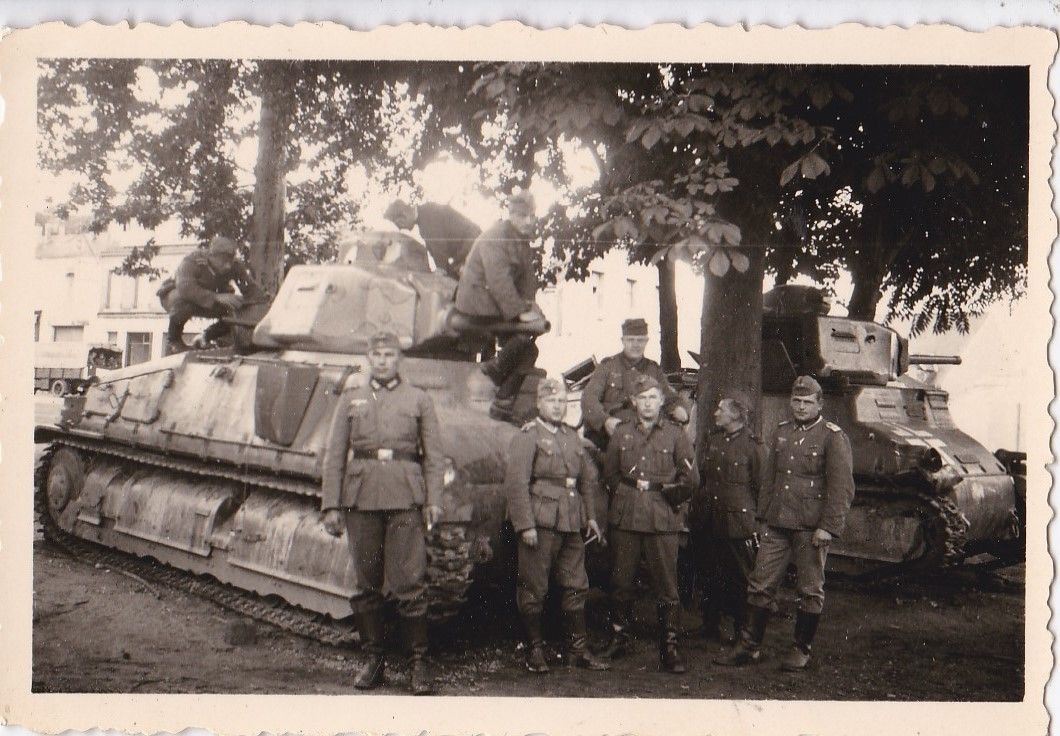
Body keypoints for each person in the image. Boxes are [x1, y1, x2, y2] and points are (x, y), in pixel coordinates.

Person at [320, 331, 445, 695]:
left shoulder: (419, 399)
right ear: (369, 357)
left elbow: (434, 456)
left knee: (410, 582)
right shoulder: (351, 398)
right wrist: (331, 504)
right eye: (376, 354)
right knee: (367, 583)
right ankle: (374, 658)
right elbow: (334, 455)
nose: (382, 360)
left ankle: (418, 662)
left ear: (398, 359)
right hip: (361, 498)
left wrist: (434, 499)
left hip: (405, 497)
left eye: (389, 354)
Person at [715, 375, 854, 672]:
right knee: (760, 582)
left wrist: (828, 526)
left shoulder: (832, 436)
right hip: (777, 523)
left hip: (810, 526)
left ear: (819, 404)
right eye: (797, 401)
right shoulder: (782, 431)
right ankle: (749, 646)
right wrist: (762, 519)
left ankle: (801, 648)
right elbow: (769, 480)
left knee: (809, 589)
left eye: (807, 402)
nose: (801, 407)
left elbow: (841, 487)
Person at [503, 378, 611, 673]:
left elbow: (586, 481)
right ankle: (534, 650)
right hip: (540, 520)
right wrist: (525, 524)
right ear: (539, 403)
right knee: (534, 586)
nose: (558, 406)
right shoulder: (528, 437)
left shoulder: (571, 437)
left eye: (562, 401)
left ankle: (578, 650)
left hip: (571, 520)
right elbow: (516, 484)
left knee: (577, 584)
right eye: (552, 401)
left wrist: (590, 517)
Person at [600, 375, 699, 673]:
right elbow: (611, 474)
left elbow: (691, 479)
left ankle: (669, 646)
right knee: (620, 581)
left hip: (661, 517)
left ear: (661, 402)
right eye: (642, 398)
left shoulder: (675, 435)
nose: (647, 403)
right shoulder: (621, 433)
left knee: (667, 585)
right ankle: (620, 638)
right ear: (634, 402)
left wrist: (670, 501)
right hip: (627, 517)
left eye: (653, 398)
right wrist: (627, 497)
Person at [453, 190, 544, 420]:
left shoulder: (521, 241)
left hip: (497, 303)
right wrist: (519, 314)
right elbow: (498, 280)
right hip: (477, 303)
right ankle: (492, 370)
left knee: (530, 349)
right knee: (524, 336)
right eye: (523, 216)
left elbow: (527, 280)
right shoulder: (496, 236)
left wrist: (532, 307)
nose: (529, 221)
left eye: (532, 216)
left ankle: (503, 401)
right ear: (511, 214)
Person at [690, 389, 764, 641]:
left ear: (735, 414)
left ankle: (742, 630)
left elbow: (761, 487)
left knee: (739, 578)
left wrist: (756, 522)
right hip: (710, 518)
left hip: (737, 523)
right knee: (710, 571)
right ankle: (710, 623)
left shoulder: (753, 447)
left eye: (721, 409)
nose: (716, 413)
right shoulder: (715, 440)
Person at [580, 318, 690, 450]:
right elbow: (589, 398)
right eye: (631, 340)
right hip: (610, 435)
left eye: (640, 340)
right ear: (623, 341)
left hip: (645, 435)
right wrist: (605, 420)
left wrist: (679, 408)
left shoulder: (653, 369)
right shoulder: (608, 366)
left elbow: (668, 397)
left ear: (646, 341)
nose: (635, 345)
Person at [157, 235, 265, 355]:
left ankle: (207, 336)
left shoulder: (235, 266)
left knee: (236, 309)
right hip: (177, 298)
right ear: (211, 256)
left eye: (230, 261)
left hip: (209, 302)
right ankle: (174, 341)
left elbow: (251, 289)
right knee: (180, 300)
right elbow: (185, 288)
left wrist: (266, 301)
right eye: (223, 262)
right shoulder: (192, 261)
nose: (228, 266)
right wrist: (217, 297)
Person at [384, 200, 482, 279]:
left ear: (404, 214)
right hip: (469, 248)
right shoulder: (424, 217)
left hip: (473, 245)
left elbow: (439, 250)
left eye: (399, 224)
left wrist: (440, 271)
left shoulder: (427, 216)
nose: (401, 228)